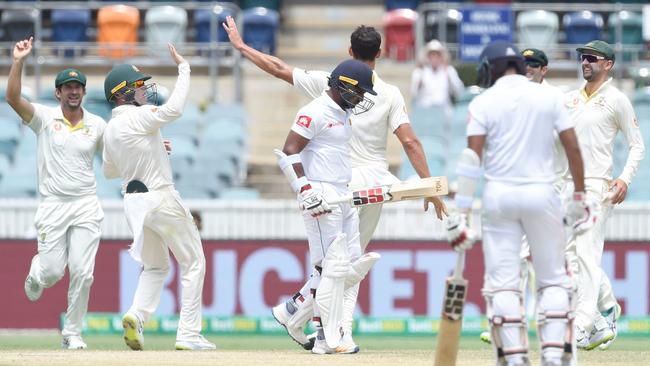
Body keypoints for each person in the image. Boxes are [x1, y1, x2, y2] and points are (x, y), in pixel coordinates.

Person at [223, 17, 447, 352]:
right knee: (346, 265)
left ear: (349, 51)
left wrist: (242, 48)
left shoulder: (327, 83)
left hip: (342, 182)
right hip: (366, 183)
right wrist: (428, 185)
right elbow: (411, 143)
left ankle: (297, 312)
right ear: (381, 54)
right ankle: (336, 332)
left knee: (340, 262)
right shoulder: (388, 93)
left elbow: (278, 68)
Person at [446, 40, 594, 366]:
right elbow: (572, 148)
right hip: (543, 194)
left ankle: (514, 358)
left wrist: (462, 212)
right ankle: (554, 356)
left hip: (499, 198)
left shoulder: (483, 102)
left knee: (502, 284)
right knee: (553, 278)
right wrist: (580, 197)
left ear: (493, 67)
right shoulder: (550, 96)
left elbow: (472, 157)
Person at [102, 43, 215, 351]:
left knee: (156, 267)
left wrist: (151, 147)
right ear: (123, 93)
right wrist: (185, 68)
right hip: (161, 198)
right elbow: (174, 109)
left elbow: (110, 171)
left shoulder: (112, 128)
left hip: (133, 204)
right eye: (139, 87)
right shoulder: (139, 117)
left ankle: (137, 315)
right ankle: (189, 334)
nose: (145, 92)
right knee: (194, 263)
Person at [6, 37, 106, 350]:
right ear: (58, 93)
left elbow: (118, 156)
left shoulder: (98, 125)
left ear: (84, 92)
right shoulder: (45, 119)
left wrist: (158, 148)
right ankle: (37, 273)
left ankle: (72, 333)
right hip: (53, 206)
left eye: (78, 87)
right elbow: (12, 98)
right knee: (52, 273)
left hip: (87, 205)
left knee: (83, 272)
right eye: (68, 87)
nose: (74, 91)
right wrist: (18, 61)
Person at [275, 58, 376, 354]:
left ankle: (292, 311)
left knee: (349, 268)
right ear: (341, 86)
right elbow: (288, 152)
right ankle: (324, 337)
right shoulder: (313, 111)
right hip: (319, 193)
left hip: (342, 193)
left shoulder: (343, 113)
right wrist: (305, 190)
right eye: (358, 93)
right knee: (329, 267)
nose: (360, 99)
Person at [564, 40, 645, 350]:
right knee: (568, 257)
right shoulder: (570, 99)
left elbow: (637, 144)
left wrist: (624, 178)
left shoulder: (617, 99)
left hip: (599, 186)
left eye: (592, 58)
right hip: (570, 187)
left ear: (608, 64)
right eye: (582, 58)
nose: (585, 62)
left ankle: (582, 326)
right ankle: (605, 312)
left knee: (586, 252)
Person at [410, 39, 464, 112]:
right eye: (432, 54)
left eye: (437, 54)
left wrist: (450, 77)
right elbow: (414, 94)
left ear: (441, 56)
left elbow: (459, 91)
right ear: (428, 56)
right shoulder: (419, 72)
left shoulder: (449, 70)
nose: (434, 58)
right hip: (425, 112)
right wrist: (419, 82)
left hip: (444, 111)